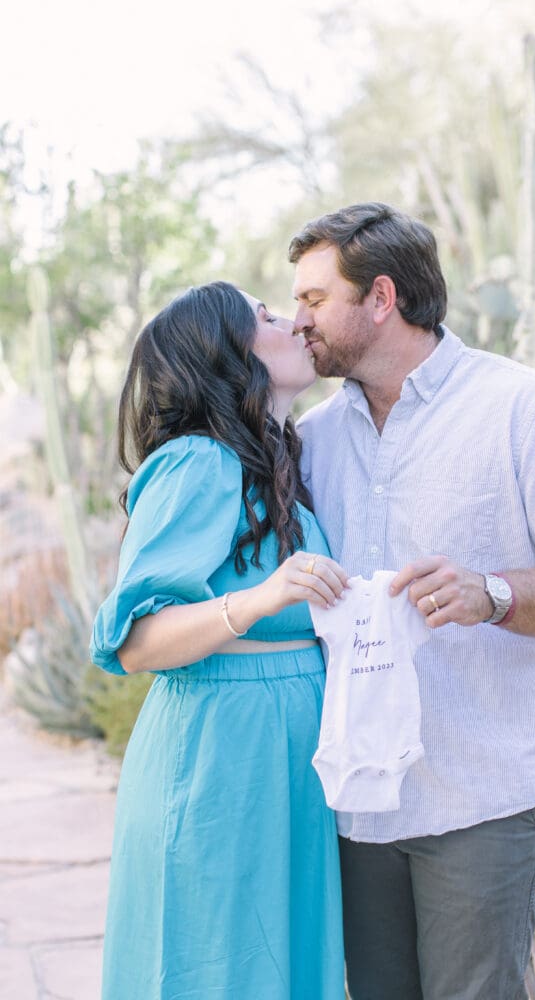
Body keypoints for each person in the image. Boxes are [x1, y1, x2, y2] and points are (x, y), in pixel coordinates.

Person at [288, 202, 535, 1000]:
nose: (297, 319)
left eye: (313, 299)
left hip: (480, 794)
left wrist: (495, 593)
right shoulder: (311, 440)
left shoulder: (524, 408)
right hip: (355, 804)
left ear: (380, 298)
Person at [90, 281, 347, 1000]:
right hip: (222, 752)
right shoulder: (199, 462)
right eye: (264, 317)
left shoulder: (275, 465)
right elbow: (137, 640)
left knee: (277, 966)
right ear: (227, 354)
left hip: (285, 753)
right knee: (215, 965)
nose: (290, 319)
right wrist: (260, 599)